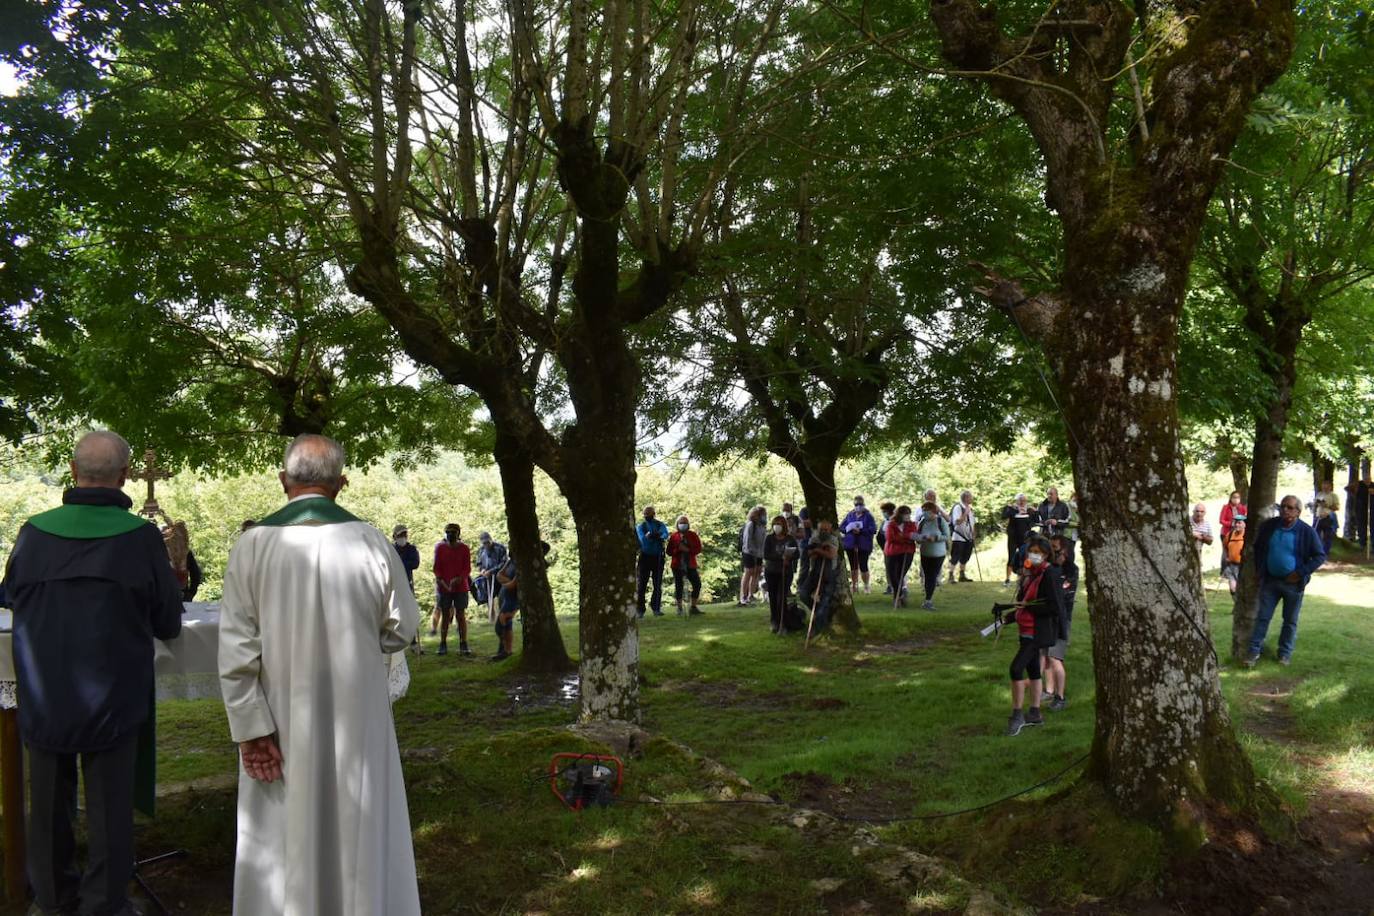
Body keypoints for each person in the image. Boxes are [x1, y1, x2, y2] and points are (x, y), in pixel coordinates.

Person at [219, 433, 422, 916]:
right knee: (360, 816)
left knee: (282, 822)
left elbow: (236, 649)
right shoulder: (372, 541)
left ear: (283, 480)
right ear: (341, 483)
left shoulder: (252, 545)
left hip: (279, 714)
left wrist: (251, 730)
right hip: (358, 710)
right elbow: (402, 628)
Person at [4, 431, 183, 916]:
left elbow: (11, 595)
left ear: (72, 470)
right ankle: (104, 904)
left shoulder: (33, 533)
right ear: (124, 476)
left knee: (46, 806)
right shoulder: (141, 538)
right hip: (113, 695)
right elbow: (168, 622)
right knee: (109, 808)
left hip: (45, 693)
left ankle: (53, 900)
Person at [1245, 495, 1327, 667]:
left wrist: (1300, 573)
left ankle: (1284, 654)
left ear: (1298, 511)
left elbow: (1319, 556)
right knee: (1263, 617)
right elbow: (1258, 548)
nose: (1285, 510)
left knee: (1290, 621)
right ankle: (1253, 652)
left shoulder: (1306, 531)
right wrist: (1259, 570)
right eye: (1282, 506)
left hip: (1293, 585)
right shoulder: (1270, 526)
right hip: (1270, 581)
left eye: (1290, 508)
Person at [1004, 535, 1066, 736]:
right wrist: (1010, 616)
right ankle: (1035, 713)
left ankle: (1017, 716)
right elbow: (1024, 603)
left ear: (1046, 554)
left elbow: (1054, 607)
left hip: (1036, 633)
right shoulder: (1032, 574)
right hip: (1025, 631)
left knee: (1016, 669)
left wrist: (1029, 608)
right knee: (1033, 671)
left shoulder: (1050, 574)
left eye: (1037, 552)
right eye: (1031, 552)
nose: (1032, 555)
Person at [494, 541, 548, 661]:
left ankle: (505, 650)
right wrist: (508, 581)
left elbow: (512, 585)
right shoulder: (511, 561)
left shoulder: (524, 563)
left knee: (501, 624)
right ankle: (506, 652)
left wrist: (506, 582)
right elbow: (499, 575)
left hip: (514, 599)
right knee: (506, 625)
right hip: (505, 596)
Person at [1041, 534, 1078, 712]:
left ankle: (1060, 696)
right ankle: (1049, 691)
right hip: (1048, 618)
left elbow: (1062, 595)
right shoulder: (1050, 568)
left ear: (1065, 550)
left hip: (1062, 619)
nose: (1052, 552)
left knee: (1055, 658)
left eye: (1055, 548)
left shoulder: (1071, 570)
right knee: (1046, 655)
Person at [433, 522, 472, 656]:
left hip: (461, 587)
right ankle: (443, 644)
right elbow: (436, 567)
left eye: (453, 532)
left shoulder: (464, 548)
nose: (450, 534)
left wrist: (459, 578)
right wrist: (440, 579)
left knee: (460, 615)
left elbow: (467, 568)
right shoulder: (440, 548)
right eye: (448, 532)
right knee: (445, 615)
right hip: (444, 587)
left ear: (458, 534)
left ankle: (463, 643)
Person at [798, 519, 841, 632]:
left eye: (826, 530)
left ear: (830, 530)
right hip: (815, 572)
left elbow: (831, 555)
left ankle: (818, 628)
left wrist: (818, 550)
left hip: (830, 573)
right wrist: (820, 549)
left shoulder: (833, 539)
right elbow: (810, 554)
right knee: (803, 593)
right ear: (818, 529)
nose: (823, 532)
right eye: (821, 529)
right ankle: (819, 612)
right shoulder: (814, 538)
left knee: (825, 599)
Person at [762, 516, 799, 633]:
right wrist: (780, 557)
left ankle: (783, 623)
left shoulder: (790, 539)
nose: (777, 526)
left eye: (779, 524)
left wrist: (789, 557)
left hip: (785, 572)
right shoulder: (769, 538)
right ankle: (774, 621)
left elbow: (797, 553)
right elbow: (766, 554)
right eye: (775, 524)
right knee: (773, 597)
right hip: (771, 571)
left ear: (784, 526)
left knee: (781, 598)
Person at [916, 501, 951, 610]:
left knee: (932, 575)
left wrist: (935, 538)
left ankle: (928, 600)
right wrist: (920, 538)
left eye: (926, 510)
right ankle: (928, 598)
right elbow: (918, 537)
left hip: (938, 554)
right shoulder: (922, 522)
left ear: (932, 511)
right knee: (927, 576)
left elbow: (947, 536)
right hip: (925, 553)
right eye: (923, 510)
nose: (924, 513)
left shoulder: (940, 521)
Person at [636, 506, 670, 618]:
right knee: (641, 584)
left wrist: (658, 536)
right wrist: (653, 536)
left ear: (653, 514)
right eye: (645, 514)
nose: (647, 516)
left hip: (658, 557)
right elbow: (642, 538)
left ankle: (656, 608)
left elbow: (665, 534)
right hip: (645, 557)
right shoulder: (641, 526)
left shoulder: (660, 525)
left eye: (649, 514)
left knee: (657, 583)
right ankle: (640, 610)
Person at [882, 505, 918, 607]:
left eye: (909, 514)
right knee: (892, 575)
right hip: (892, 552)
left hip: (907, 552)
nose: (908, 516)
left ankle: (897, 597)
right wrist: (906, 537)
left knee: (900, 574)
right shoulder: (891, 524)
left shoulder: (911, 524)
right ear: (900, 514)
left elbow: (914, 535)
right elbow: (890, 538)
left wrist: (903, 537)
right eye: (906, 514)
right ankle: (899, 595)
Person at [667, 515, 704, 616]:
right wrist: (678, 549)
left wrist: (688, 549)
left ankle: (693, 607)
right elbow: (669, 551)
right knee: (679, 586)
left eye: (685, 523)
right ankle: (679, 608)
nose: (683, 525)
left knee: (697, 584)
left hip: (690, 564)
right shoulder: (674, 536)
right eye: (681, 523)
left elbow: (698, 549)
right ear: (677, 524)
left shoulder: (693, 535)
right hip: (677, 565)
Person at [840, 496, 878, 593]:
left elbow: (873, 529)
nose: (858, 506)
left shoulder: (868, 516)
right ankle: (854, 585)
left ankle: (866, 585)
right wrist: (849, 529)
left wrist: (861, 531)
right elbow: (841, 527)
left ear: (863, 504)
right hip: (850, 544)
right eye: (856, 504)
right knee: (853, 566)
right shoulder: (850, 515)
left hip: (863, 544)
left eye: (860, 504)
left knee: (863, 565)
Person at [1000, 495, 1034, 585]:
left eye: (1024, 500)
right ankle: (1007, 579)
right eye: (1020, 500)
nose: (1022, 502)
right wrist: (1013, 510)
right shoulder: (1012, 509)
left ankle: (1024, 578)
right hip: (1013, 538)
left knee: (1025, 557)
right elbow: (1004, 516)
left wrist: (1033, 512)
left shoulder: (1029, 510)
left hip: (1025, 539)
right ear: (1017, 501)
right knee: (1011, 557)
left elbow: (1034, 522)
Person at [738, 506, 767, 606]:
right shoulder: (751, 524)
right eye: (762, 514)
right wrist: (752, 551)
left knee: (757, 572)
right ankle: (743, 596)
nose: (764, 516)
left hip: (759, 553)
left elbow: (763, 541)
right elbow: (747, 540)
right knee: (748, 572)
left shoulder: (762, 526)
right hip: (749, 552)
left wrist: (762, 554)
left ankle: (751, 595)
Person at [949, 490, 976, 583]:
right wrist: (965, 513)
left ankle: (962, 575)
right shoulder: (958, 507)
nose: (972, 498)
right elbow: (957, 521)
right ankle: (951, 575)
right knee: (955, 556)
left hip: (969, 537)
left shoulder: (970, 509)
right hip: (959, 536)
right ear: (966, 498)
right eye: (970, 497)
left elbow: (972, 523)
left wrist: (973, 534)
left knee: (965, 556)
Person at [1220, 515, 1246, 595]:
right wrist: (1227, 557)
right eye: (1235, 523)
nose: (1237, 525)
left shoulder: (1247, 535)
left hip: (1243, 567)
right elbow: (1225, 546)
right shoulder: (1230, 534)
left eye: (1239, 523)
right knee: (1233, 589)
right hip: (1231, 565)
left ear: (1245, 524)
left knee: (1242, 589)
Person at [392, 524, 421, 590]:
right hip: (394, 584)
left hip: (407, 583)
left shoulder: (411, 549)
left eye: (405, 535)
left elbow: (415, 564)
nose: (403, 537)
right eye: (400, 535)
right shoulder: (391, 549)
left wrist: (400, 563)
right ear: (394, 536)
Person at [1189, 503, 1214, 578]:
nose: (1199, 514)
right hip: (1185, 550)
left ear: (1205, 513)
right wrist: (1193, 535)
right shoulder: (1187, 520)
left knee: (1196, 572)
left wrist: (1202, 537)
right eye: (1197, 511)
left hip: (1197, 552)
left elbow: (1210, 541)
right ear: (1193, 511)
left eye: (1202, 511)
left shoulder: (1207, 524)